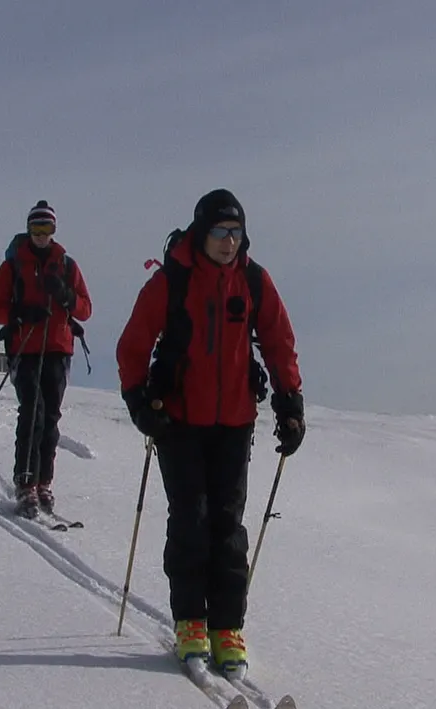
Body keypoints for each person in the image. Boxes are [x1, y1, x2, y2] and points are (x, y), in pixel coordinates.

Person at [115, 188, 304, 676]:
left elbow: (280, 342)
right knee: (190, 521)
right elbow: (133, 345)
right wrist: (139, 402)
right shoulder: (171, 281)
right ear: (201, 233)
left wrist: (290, 404)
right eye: (220, 232)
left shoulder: (254, 282)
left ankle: (227, 628)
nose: (228, 242)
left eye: (236, 233)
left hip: (235, 422)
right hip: (178, 421)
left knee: (228, 525)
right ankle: (190, 623)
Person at [0, 200, 92, 517]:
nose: (42, 235)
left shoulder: (67, 266)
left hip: (59, 348)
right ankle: (25, 484)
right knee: (32, 412)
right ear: (28, 229)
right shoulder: (12, 266)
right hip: (26, 347)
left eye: (46, 229)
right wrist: (21, 313)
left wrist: (65, 295)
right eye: (36, 228)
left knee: (50, 419)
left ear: (54, 230)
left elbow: (85, 309)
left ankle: (44, 483)